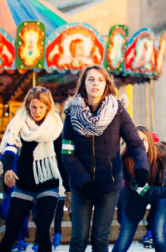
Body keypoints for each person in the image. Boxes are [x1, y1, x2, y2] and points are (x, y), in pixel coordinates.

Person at [62, 65, 149, 252]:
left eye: (100, 80)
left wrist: (141, 167)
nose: (95, 83)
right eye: (91, 79)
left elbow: (135, 142)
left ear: (106, 84)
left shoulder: (117, 112)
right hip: (81, 186)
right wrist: (85, 183)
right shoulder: (71, 114)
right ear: (84, 84)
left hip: (109, 185)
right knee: (79, 238)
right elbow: (67, 154)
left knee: (100, 239)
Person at [0, 87, 69, 252]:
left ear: (48, 107)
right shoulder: (18, 124)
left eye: (41, 107)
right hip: (24, 184)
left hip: (48, 183)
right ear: (28, 105)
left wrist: (68, 189)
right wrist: (7, 169)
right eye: (34, 107)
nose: (37, 111)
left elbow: (61, 158)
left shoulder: (55, 127)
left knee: (43, 231)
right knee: (11, 231)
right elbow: (10, 149)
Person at [112, 127, 166, 252]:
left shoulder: (160, 154)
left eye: (144, 140)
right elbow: (143, 190)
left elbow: (163, 182)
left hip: (161, 190)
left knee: (159, 236)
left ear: (150, 142)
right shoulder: (126, 160)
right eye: (136, 140)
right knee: (124, 239)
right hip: (135, 196)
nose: (141, 144)